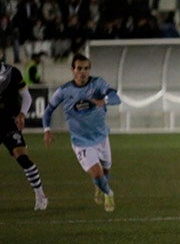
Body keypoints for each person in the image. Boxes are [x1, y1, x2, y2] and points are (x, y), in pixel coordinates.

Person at [42, 53, 121, 212]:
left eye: (86, 68)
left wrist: (104, 100)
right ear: (73, 69)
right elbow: (48, 111)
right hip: (81, 141)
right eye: (79, 68)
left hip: (101, 136)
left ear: (89, 69)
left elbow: (115, 97)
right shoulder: (64, 91)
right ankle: (108, 193)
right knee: (98, 174)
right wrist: (47, 130)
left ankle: (101, 187)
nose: (82, 72)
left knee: (105, 170)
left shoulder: (98, 84)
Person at [0, 60, 47, 209]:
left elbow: (26, 97)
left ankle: (40, 195)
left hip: (9, 123)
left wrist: (22, 114)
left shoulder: (12, 73)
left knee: (22, 158)